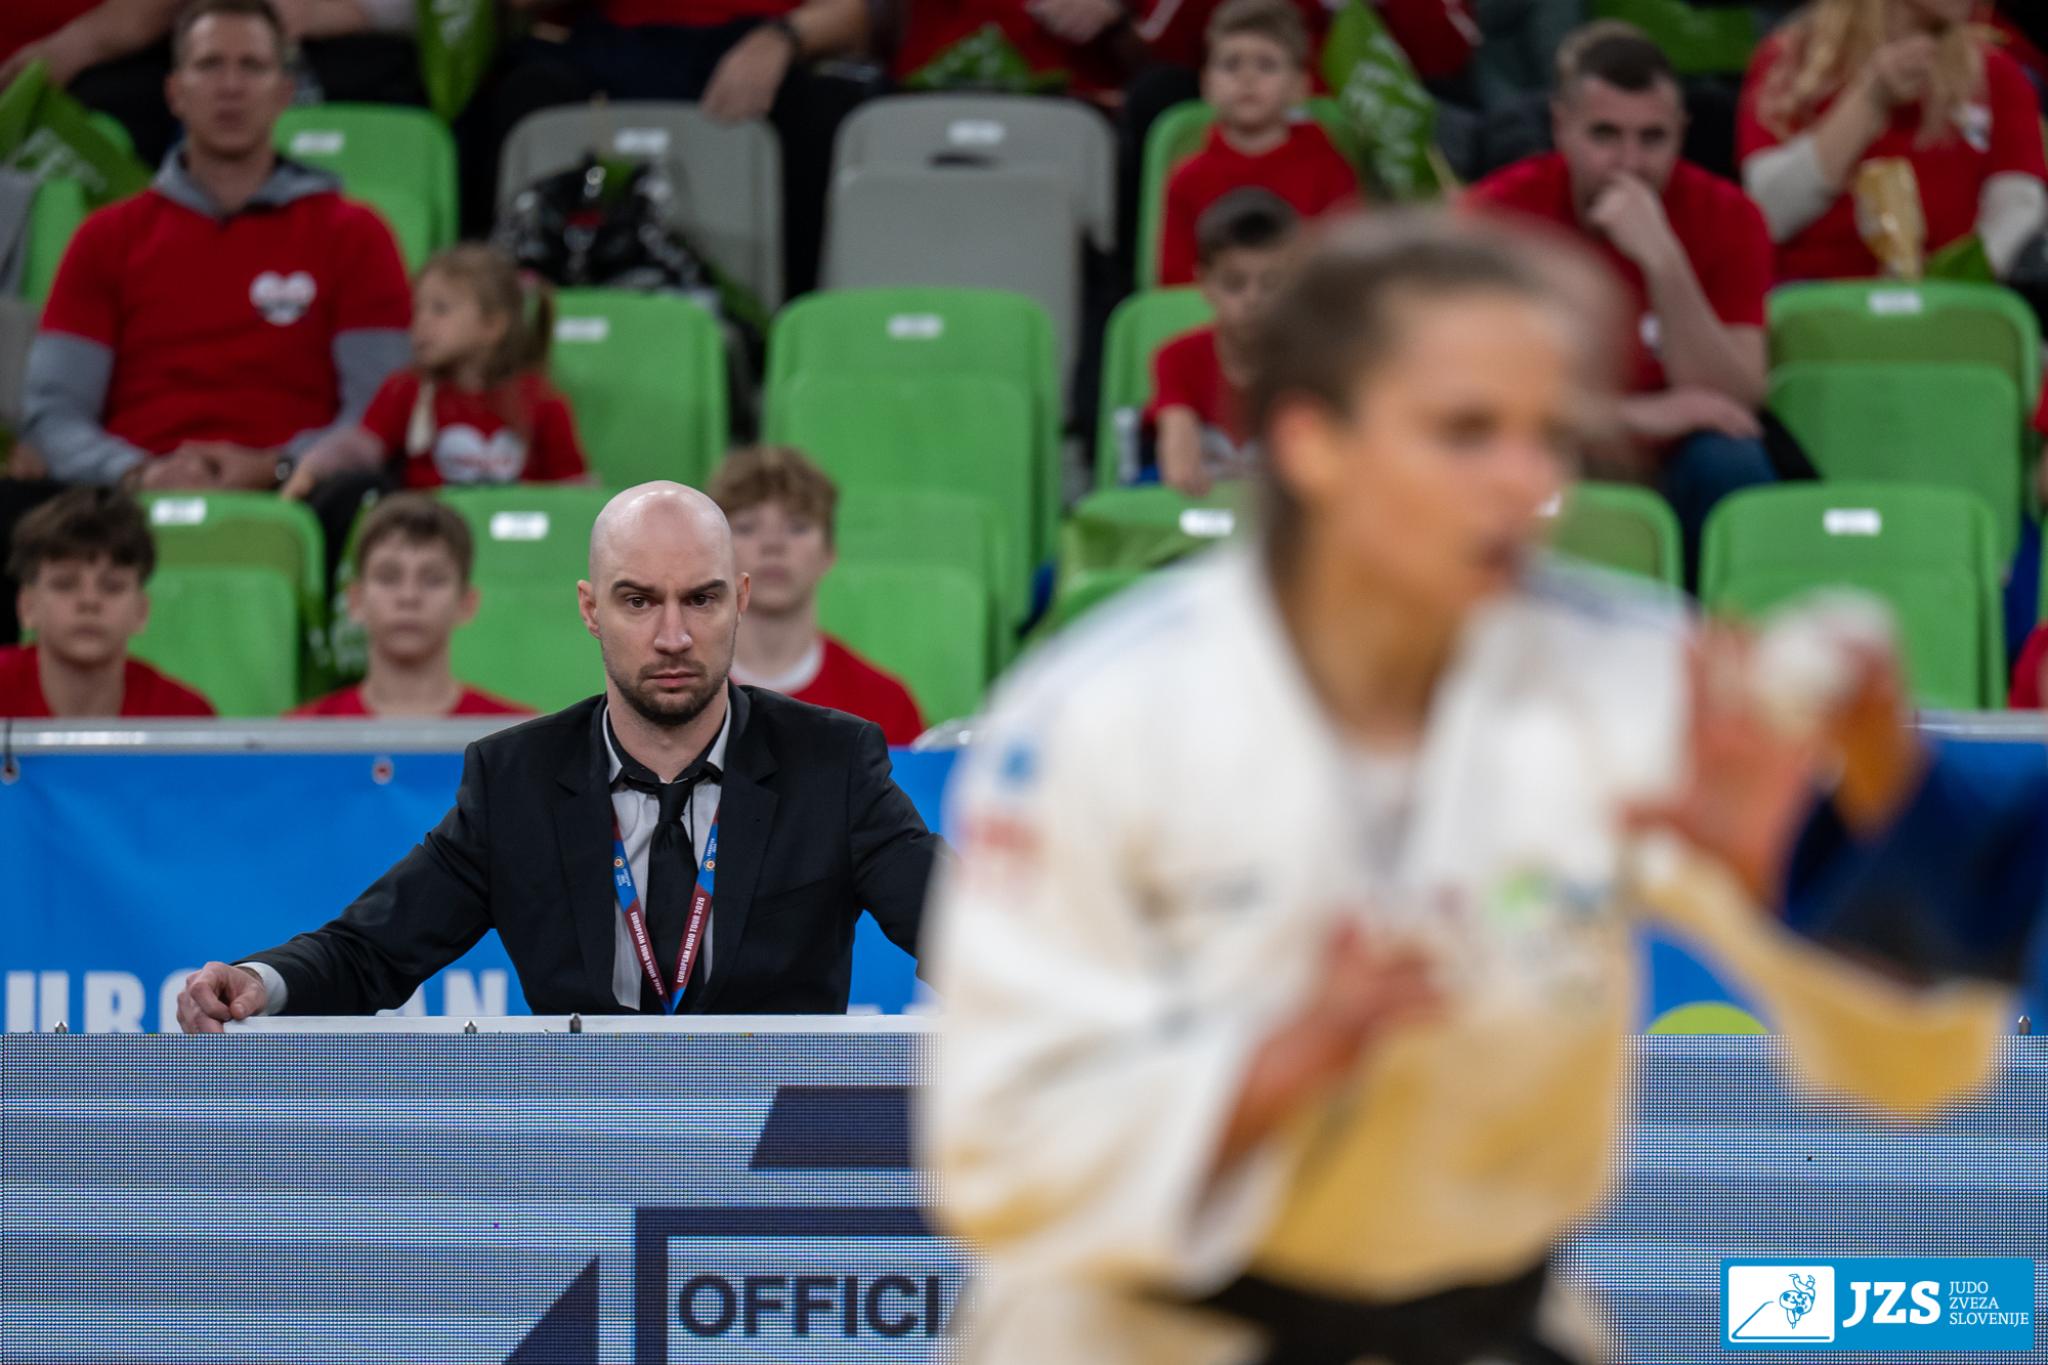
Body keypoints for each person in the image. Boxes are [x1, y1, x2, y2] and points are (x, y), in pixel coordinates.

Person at [920, 213, 2030, 1365]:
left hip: (1488, 1328)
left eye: (1550, 436)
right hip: (1135, 1334)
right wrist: (1270, 1069)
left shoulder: (1637, 682)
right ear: (1309, 443)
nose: (1527, 483)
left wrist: (1823, 874)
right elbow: (994, 1155)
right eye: (1465, 432)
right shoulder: (1102, 712)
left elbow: (1915, 1076)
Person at [176, 481, 942, 1026]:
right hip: (585, 1152)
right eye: (638, 600)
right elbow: (370, 950)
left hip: (774, 1157)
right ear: (590, 608)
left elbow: (964, 928)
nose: (673, 635)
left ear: (740, 599)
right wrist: (260, 980)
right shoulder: (516, 779)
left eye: (701, 599)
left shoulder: (832, 764)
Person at [18, 0, 412, 493]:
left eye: (252, 66)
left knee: (363, 494)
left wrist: (278, 466)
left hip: (296, 493)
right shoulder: (105, 237)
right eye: (209, 65)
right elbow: (53, 413)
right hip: (125, 498)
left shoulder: (356, 234)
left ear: (285, 93)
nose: (230, 86)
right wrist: (137, 471)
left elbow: (379, 412)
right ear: (175, 93)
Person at [1470, 20, 1775, 581]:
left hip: (1675, 462)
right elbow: (1467, 392)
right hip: (1551, 447)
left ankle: (1717, 628)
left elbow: (1735, 401)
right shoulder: (1496, 216)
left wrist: (1665, 262)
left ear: (1681, 134)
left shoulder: (1729, 216)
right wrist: (1632, 416)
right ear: (1562, 128)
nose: (1629, 163)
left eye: (1652, 138)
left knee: (1731, 458)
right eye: (1605, 135)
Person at [485, 0, 873, 295]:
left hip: (759, 41)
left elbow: (857, 16)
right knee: (524, 92)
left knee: (822, 110)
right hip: (608, 44)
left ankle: (786, 331)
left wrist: (781, 38)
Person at [1737, 0, 2048, 283]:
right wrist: (1868, 101)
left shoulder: (1996, 73)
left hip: (1947, 303)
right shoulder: (1790, 61)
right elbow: (1771, 216)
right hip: (1818, 300)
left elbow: (2017, 205)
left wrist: (1952, 284)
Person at [283, 245, 589, 499]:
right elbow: (363, 447)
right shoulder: (406, 390)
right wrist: (315, 465)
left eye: (440, 309)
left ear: (492, 325)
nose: (421, 323)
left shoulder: (540, 400)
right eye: (418, 309)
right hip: (427, 538)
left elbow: (572, 489)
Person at [1, 0, 426, 180]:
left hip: (363, 61)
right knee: (95, 107)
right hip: (195, 40)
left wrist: (327, 11)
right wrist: (76, 45)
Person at [709, 446, 926, 745]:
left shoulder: (886, 704)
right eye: (746, 527)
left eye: (797, 527)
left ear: (829, 551)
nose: (773, 544)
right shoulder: (680, 694)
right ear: (714, 552)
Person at [1156, 0, 1358, 287]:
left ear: (1300, 86)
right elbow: (1173, 282)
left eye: (1266, 65)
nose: (1247, 78)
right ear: (1206, 83)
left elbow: (1346, 274)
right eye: (1231, 64)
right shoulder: (1186, 179)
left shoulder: (1331, 170)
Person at [287, 495, 530, 719]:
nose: (409, 596)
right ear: (356, 600)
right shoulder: (298, 736)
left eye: (433, 580)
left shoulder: (517, 738)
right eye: (388, 577)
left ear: (466, 603)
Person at [0, 486, 214, 718]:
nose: (89, 601)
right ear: (27, 606)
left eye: (112, 587)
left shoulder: (184, 716)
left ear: (141, 611)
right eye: (65, 584)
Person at [1149, 189, 1295, 496]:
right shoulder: (1176, 358)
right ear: (1204, 283)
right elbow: (1179, 472)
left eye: (1271, 284)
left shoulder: (1312, 361)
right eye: (1234, 284)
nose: (1253, 299)